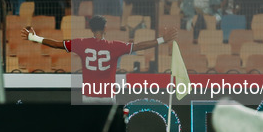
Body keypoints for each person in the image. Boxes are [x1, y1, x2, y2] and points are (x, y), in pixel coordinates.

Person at [21, 15, 177, 103]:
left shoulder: (81, 43)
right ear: (105, 28)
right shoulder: (115, 46)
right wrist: (162, 39)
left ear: (90, 28)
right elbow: (139, 46)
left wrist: (34, 37)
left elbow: (56, 44)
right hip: (107, 94)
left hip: (88, 94)